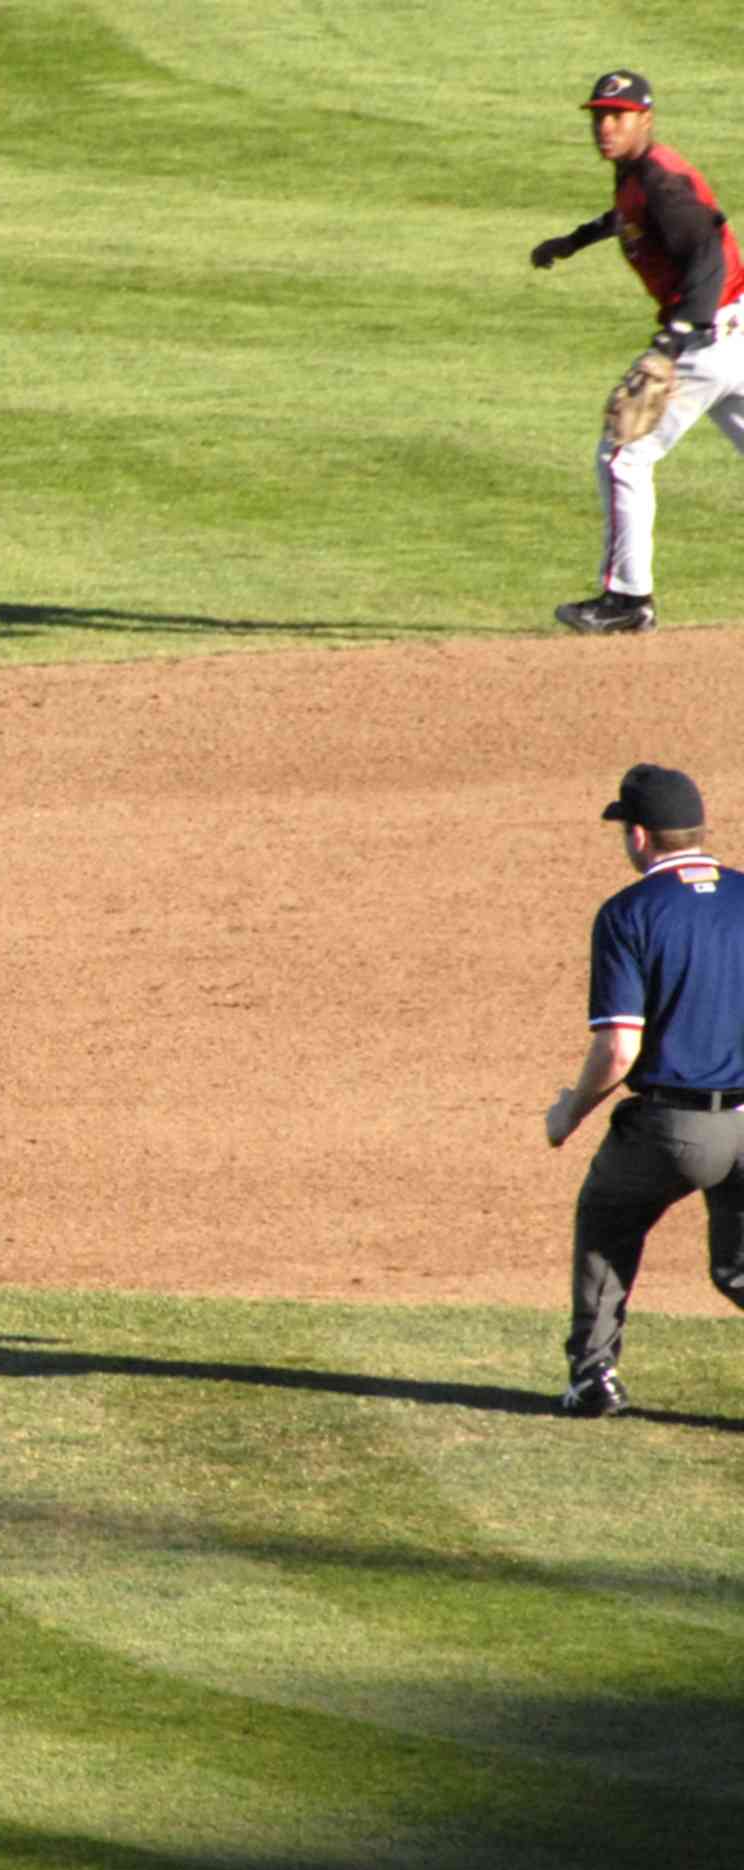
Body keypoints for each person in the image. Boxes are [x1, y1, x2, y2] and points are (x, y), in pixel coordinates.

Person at [542, 764, 744, 1416]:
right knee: (739, 1267)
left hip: (674, 1128)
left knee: (607, 1221)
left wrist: (569, 1112)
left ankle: (593, 1377)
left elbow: (619, 1046)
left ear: (639, 836)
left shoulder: (630, 913)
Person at [529, 69, 744, 634]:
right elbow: (627, 217)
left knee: (624, 454)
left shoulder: (662, 183)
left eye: (617, 116)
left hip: (704, 338)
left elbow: (706, 259)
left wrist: (672, 343)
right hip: (736, 328)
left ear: (644, 119)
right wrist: (572, 241)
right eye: (599, 115)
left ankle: (628, 599)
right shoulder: (640, 173)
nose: (605, 126)